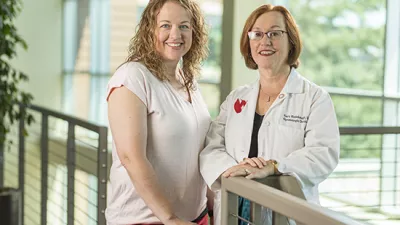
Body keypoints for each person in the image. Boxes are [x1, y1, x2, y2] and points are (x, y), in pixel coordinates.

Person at [200, 4, 340, 225]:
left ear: (291, 40)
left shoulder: (314, 98)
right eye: (257, 34)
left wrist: (275, 166)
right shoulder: (238, 97)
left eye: (275, 33)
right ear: (249, 43)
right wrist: (232, 169)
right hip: (233, 210)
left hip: (286, 212)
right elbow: (212, 147)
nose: (265, 41)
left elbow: (323, 154)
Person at [105, 0, 214, 224]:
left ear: (194, 31)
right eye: (165, 25)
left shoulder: (188, 80)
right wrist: (170, 218)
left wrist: (212, 209)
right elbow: (130, 156)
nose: (175, 34)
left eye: (184, 26)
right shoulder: (133, 77)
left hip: (195, 217)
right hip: (147, 219)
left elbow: (200, 150)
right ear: (149, 30)